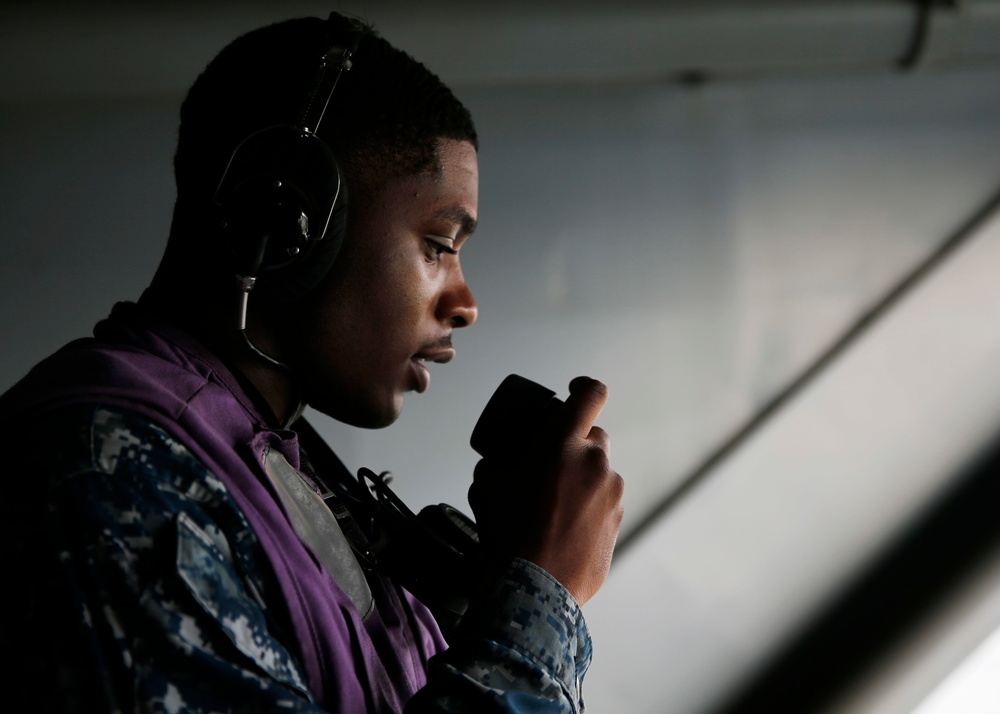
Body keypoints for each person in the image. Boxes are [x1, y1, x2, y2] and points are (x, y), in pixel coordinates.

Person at [0, 12, 624, 713]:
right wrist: (542, 596)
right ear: (289, 221)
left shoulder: (269, 459)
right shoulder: (105, 477)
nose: (464, 301)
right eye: (439, 245)